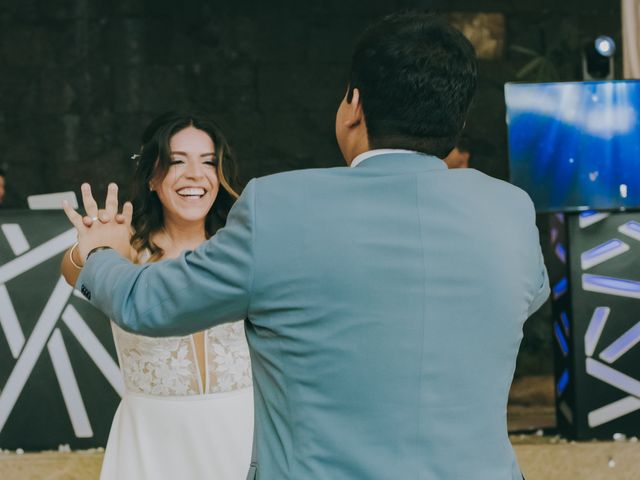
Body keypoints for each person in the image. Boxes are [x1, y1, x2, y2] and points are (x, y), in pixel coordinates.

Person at [66, 13, 548, 480]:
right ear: (458, 118)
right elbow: (529, 295)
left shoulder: (280, 206)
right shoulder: (511, 211)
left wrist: (101, 251)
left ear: (354, 105)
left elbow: (146, 303)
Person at [61, 112, 253, 480]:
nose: (195, 174)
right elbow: (72, 272)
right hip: (152, 447)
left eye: (208, 163)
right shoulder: (130, 251)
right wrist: (91, 250)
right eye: (177, 161)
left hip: (241, 437)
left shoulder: (244, 252)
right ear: (152, 176)